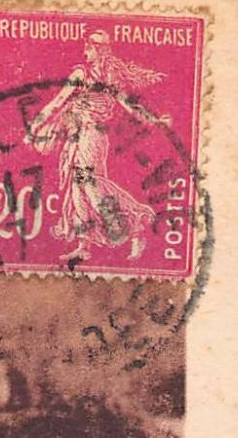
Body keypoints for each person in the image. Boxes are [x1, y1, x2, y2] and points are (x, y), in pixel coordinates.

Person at [27, 31, 167, 264]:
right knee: (77, 189)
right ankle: (84, 245)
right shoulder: (87, 74)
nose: (85, 51)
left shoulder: (100, 76)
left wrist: (152, 119)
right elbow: (60, 102)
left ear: (97, 50)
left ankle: (136, 226)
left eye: (89, 47)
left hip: (91, 136)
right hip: (78, 137)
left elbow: (126, 104)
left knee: (90, 185)